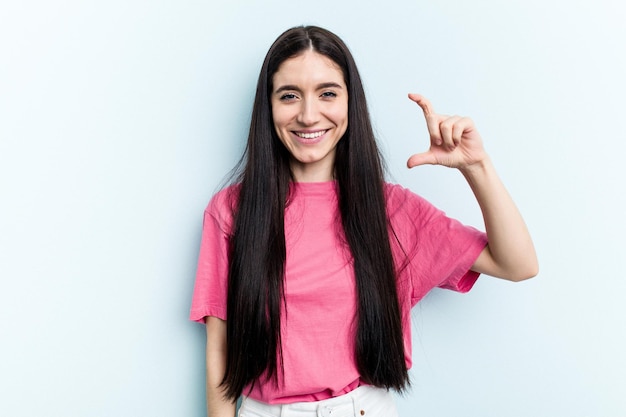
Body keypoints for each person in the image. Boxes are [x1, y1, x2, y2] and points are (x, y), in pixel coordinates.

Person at [190, 25, 538, 417]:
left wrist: (477, 166)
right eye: (289, 96)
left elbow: (518, 263)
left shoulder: (390, 209)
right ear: (267, 107)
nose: (308, 115)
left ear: (349, 103)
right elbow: (219, 352)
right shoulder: (231, 211)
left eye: (327, 94)